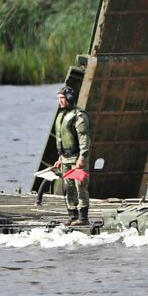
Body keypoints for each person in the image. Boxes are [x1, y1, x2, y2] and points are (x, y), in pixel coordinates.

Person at [54, 85, 92, 225]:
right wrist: (60, 158)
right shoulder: (61, 116)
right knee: (68, 187)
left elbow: (84, 138)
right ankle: (72, 215)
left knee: (80, 186)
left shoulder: (79, 116)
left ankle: (83, 218)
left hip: (77, 158)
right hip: (65, 158)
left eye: (62, 98)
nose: (60, 101)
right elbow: (61, 139)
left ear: (69, 98)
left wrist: (82, 158)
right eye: (58, 98)